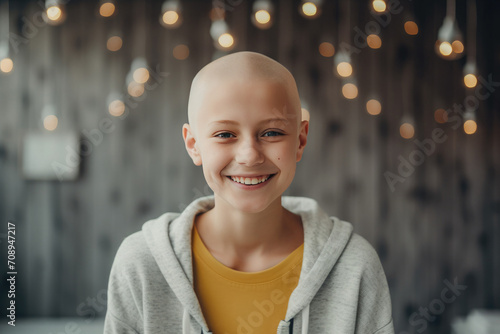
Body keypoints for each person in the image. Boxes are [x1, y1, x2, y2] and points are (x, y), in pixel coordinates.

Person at [104, 51, 394, 334]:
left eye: (271, 133)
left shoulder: (356, 267)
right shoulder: (141, 264)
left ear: (301, 140)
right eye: (224, 135)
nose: (249, 156)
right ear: (193, 144)